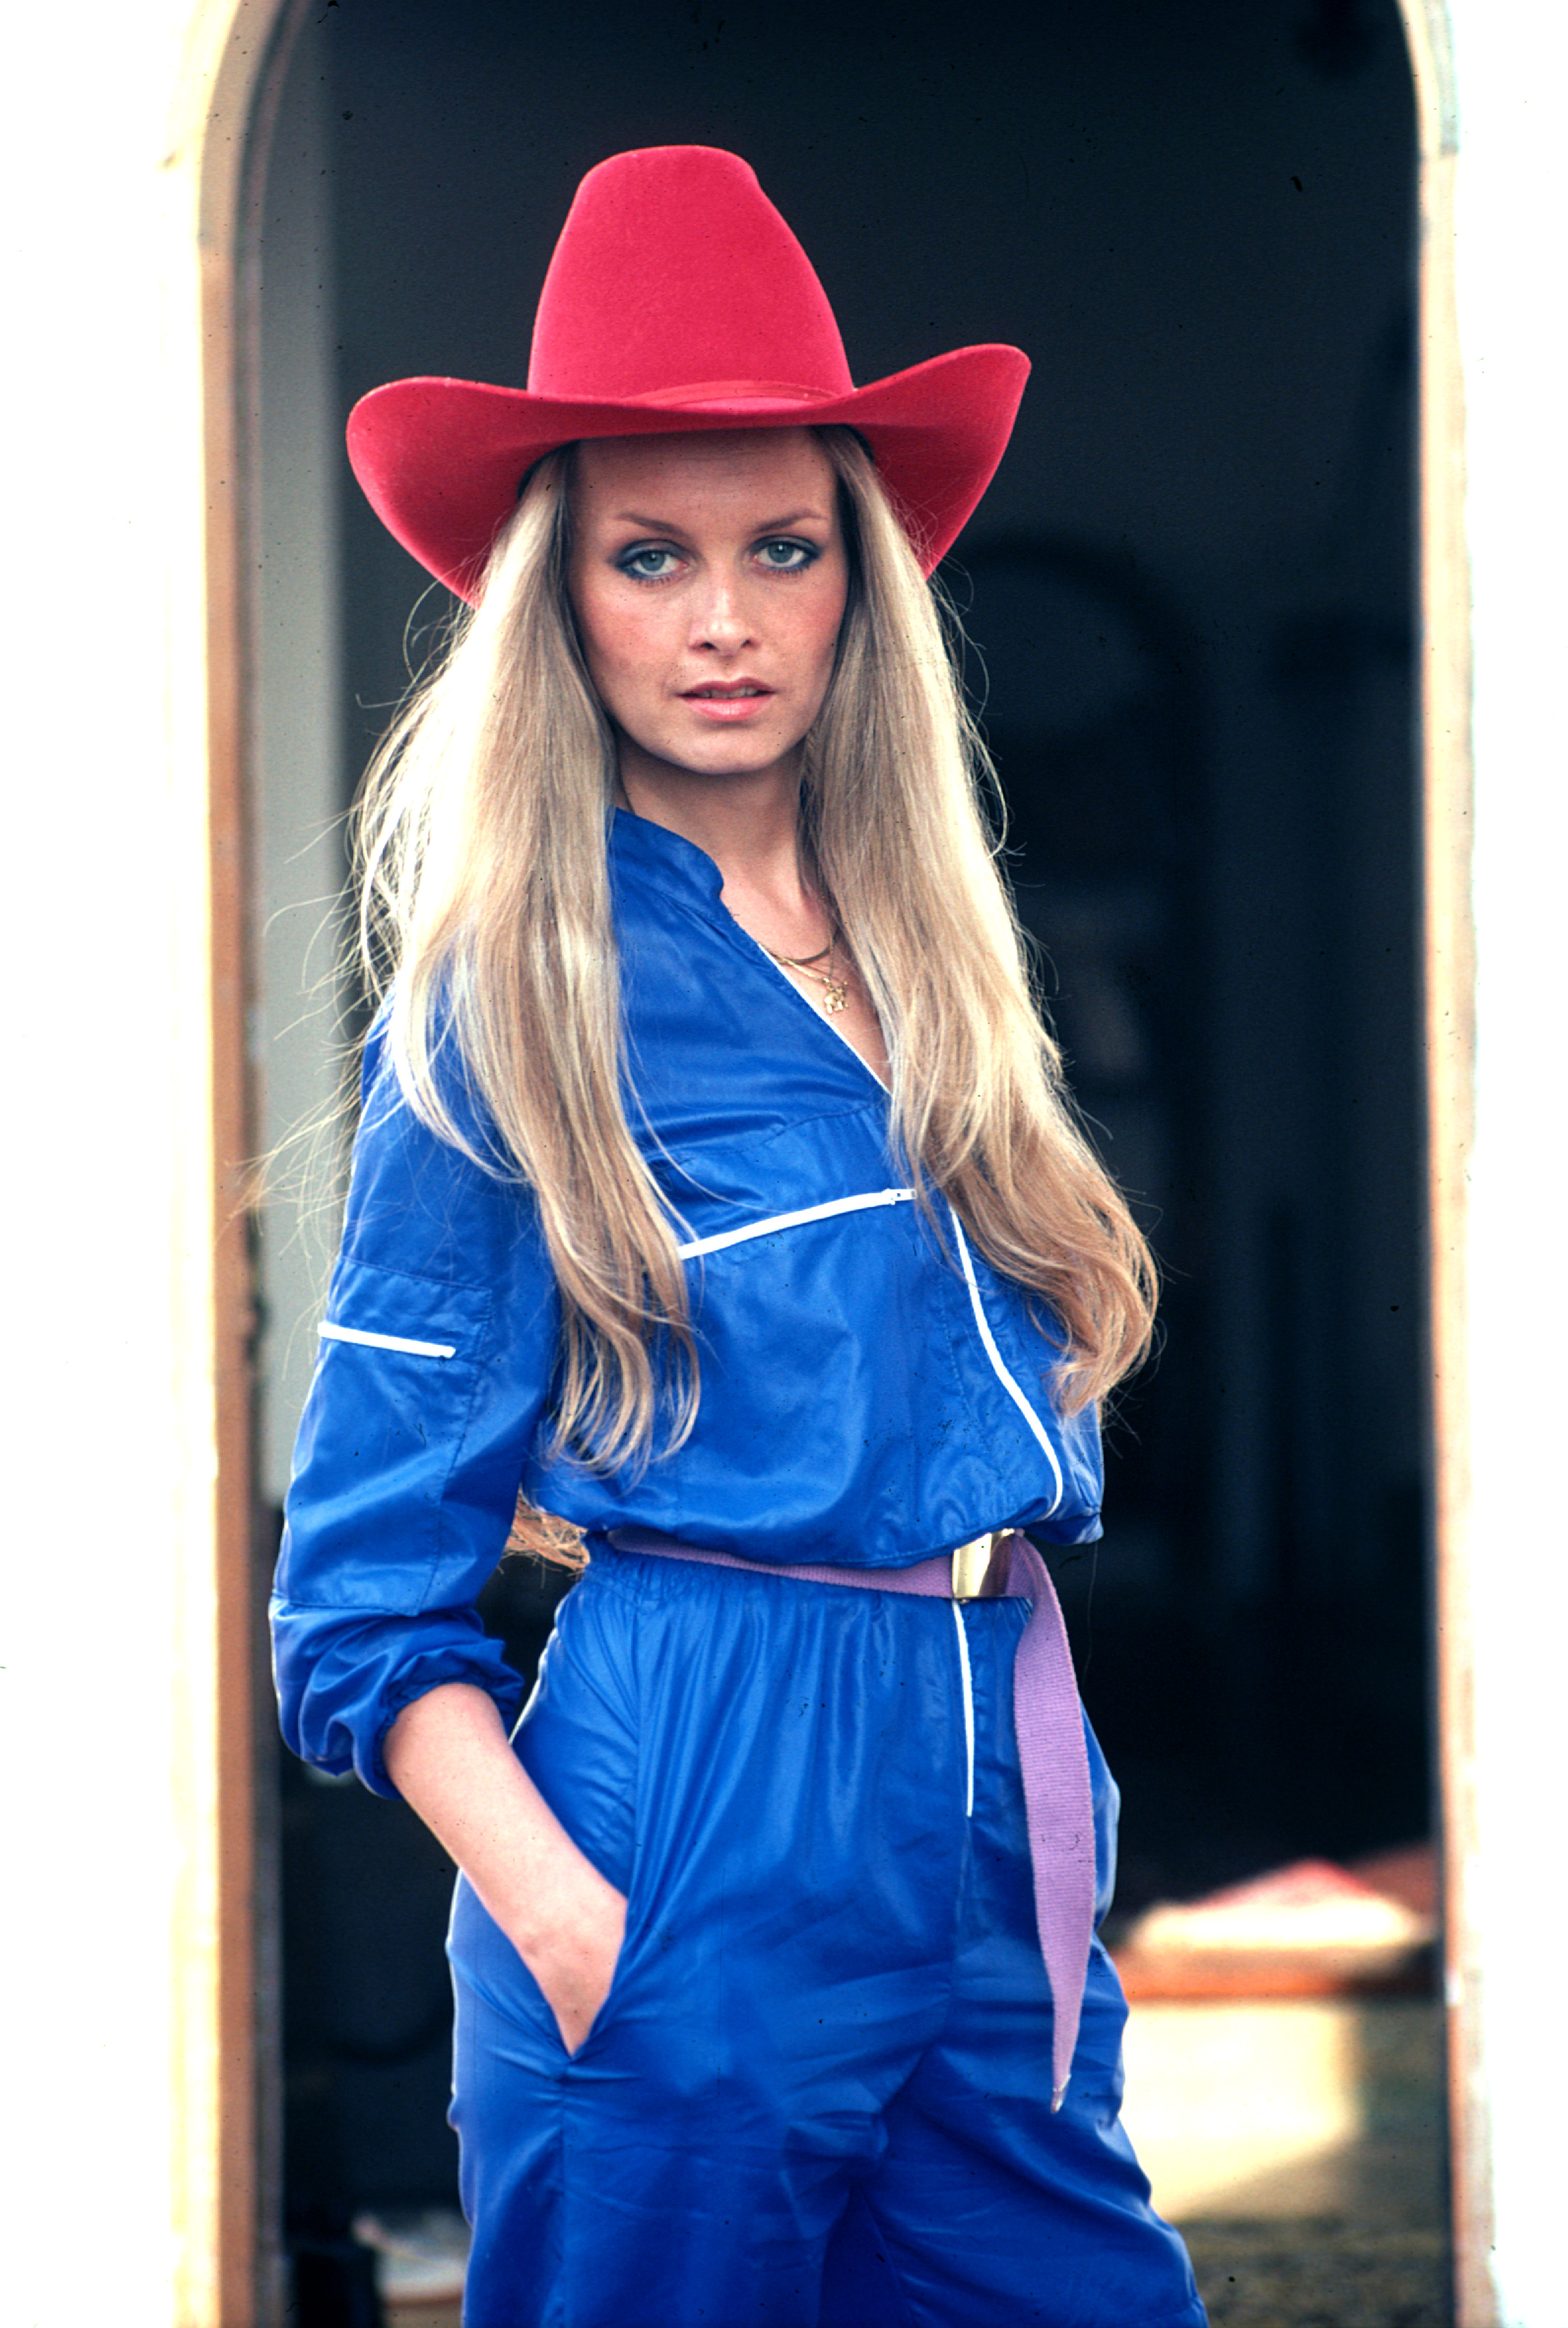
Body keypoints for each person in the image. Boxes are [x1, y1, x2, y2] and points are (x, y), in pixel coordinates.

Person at [273, 145, 1208, 2328]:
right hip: (687, 1780)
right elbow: (358, 1592)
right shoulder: (516, 993)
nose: (720, 618)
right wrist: (578, 1922)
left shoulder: (935, 957)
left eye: (782, 549)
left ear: (857, 582)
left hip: (985, 1752)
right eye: (650, 554)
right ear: (560, 594)